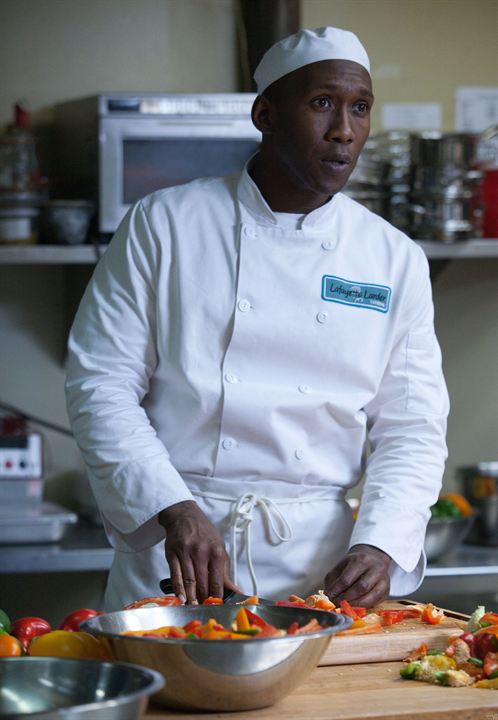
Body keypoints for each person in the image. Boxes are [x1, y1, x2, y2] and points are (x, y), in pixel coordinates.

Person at [65, 26, 449, 611]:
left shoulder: (393, 259)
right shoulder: (165, 225)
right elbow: (100, 383)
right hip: (180, 553)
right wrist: (175, 509)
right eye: (322, 103)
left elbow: (413, 426)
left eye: (360, 108)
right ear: (265, 114)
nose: (344, 130)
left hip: (321, 573)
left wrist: (381, 544)